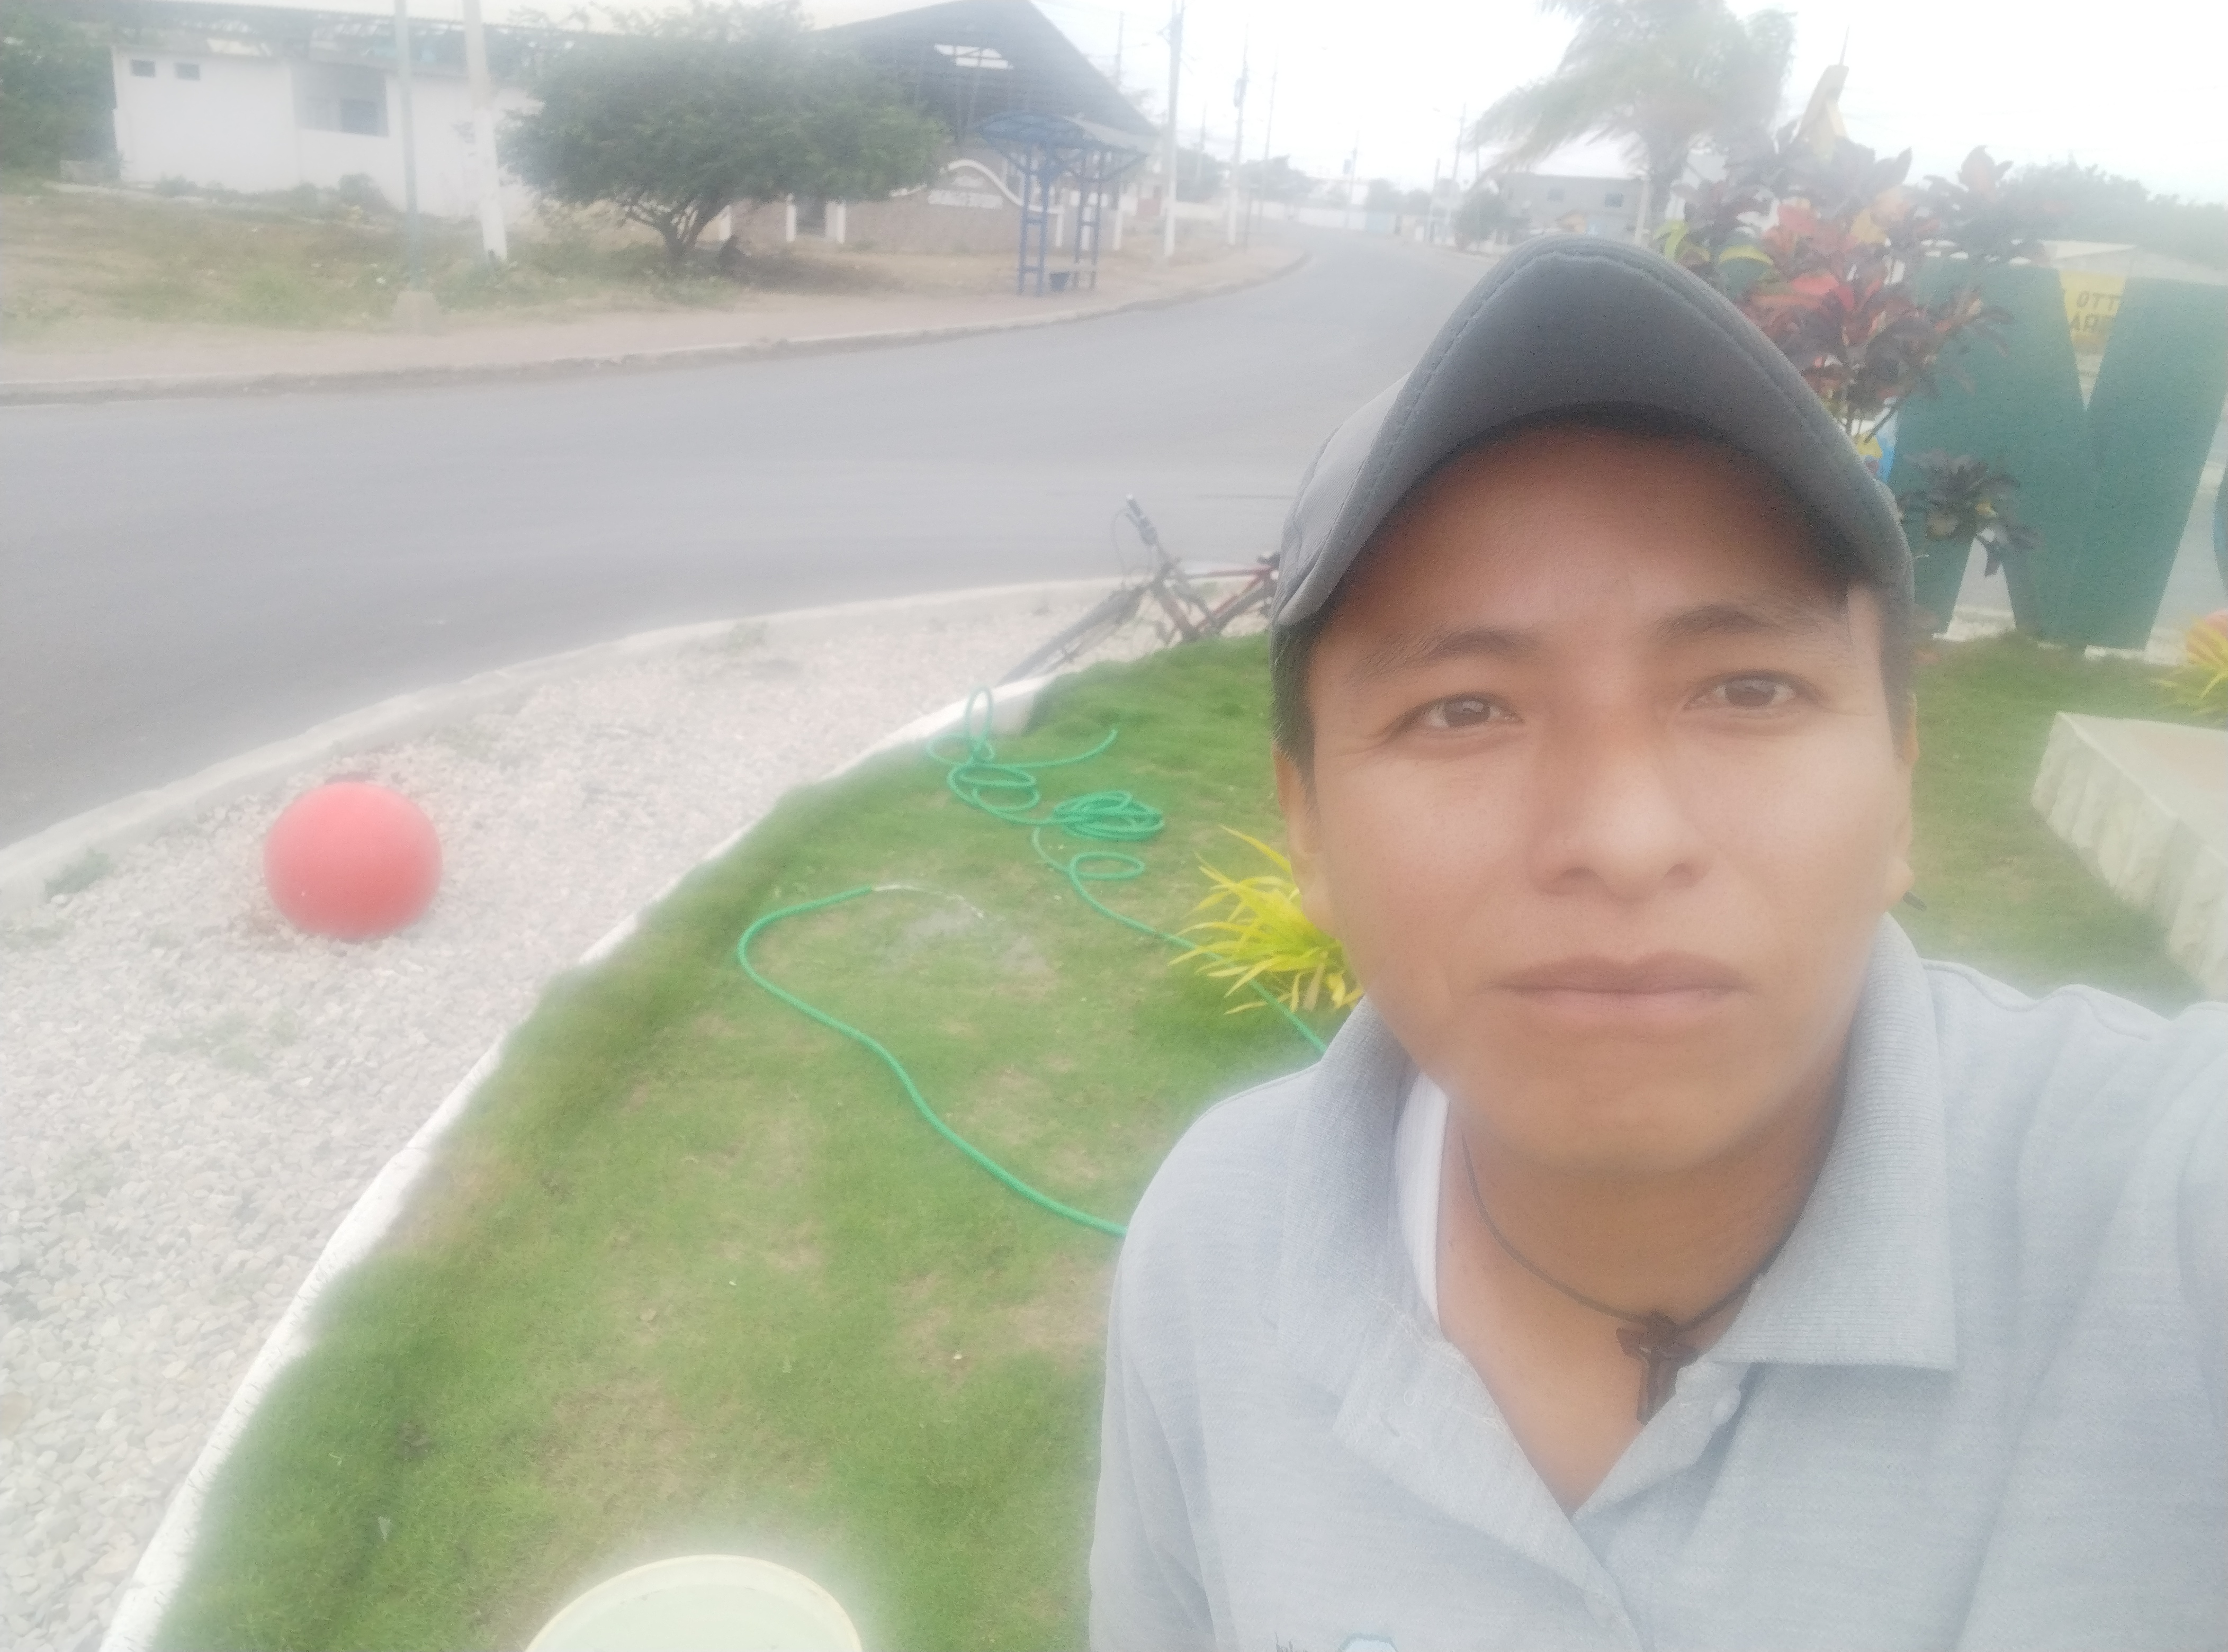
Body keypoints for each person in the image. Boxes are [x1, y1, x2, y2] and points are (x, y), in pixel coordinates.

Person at [1089, 236, 2225, 1651]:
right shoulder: (1215, 1245)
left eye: (1748, 689)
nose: (1624, 839)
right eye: (1462, 710)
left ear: (1899, 787)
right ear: (1306, 823)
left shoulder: (2165, 1215)